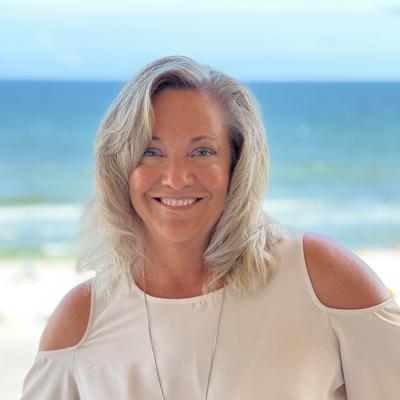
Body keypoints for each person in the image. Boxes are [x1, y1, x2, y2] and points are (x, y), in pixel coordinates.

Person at [21, 55, 400, 399]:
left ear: (237, 164)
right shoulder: (81, 319)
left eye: (202, 151)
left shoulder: (320, 278)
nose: (176, 177)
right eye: (151, 152)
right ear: (120, 167)